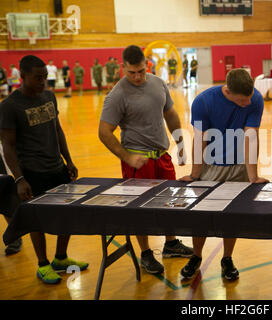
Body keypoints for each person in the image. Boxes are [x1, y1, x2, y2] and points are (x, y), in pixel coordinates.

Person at [98, 45, 193, 275]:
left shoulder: (158, 83)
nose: (138, 77)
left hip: (162, 156)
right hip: (137, 162)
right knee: (139, 209)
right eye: (132, 73)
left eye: (141, 71)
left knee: (171, 202)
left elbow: (170, 113)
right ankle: (146, 254)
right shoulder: (117, 95)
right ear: (123, 68)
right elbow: (104, 132)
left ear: (146, 65)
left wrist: (179, 142)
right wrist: (127, 156)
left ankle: (170, 244)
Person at [0, 55, 88, 284]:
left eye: (45, 77)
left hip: (57, 167)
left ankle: (60, 258)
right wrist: (19, 178)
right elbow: (7, 145)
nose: (43, 82)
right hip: (31, 173)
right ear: (22, 77)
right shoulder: (9, 106)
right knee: (36, 220)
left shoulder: (49, 96)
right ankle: (42, 264)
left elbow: (57, 129)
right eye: (37, 78)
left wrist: (68, 160)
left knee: (67, 214)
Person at [178, 68, 269, 281]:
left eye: (248, 99)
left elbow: (251, 137)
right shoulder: (203, 102)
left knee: (232, 216)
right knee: (201, 215)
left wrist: (253, 176)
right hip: (211, 165)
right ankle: (196, 256)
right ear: (227, 91)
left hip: (239, 165)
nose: (247, 104)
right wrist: (194, 174)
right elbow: (199, 138)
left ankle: (227, 258)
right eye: (241, 101)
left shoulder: (254, 98)